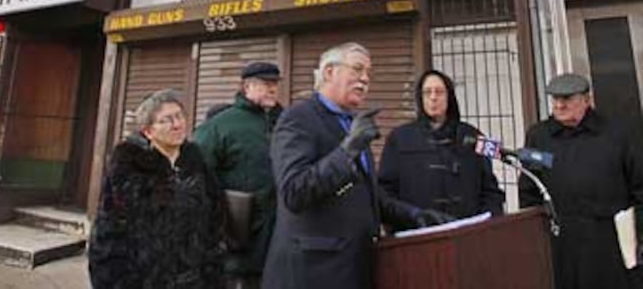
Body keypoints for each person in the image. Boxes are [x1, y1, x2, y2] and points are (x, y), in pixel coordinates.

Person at [262, 42, 448, 289]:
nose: (365, 79)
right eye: (357, 69)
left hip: (354, 269)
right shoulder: (298, 118)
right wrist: (348, 150)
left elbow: (365, 195)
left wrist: (415, 216)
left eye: (368, 73)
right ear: (329, 72)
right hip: (312, 275)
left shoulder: (351, 123)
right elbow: (294, 192)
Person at [519, 73, 643, 289]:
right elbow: (528, 188)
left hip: (610, 240)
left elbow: (639, 184)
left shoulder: (617, 133)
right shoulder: (538, 136)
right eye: (555, 99)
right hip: (561, 243)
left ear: (586, 100)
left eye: (566, 99)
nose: (559, 104)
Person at [88, 89, 223, 289]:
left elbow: (215, 218)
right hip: (144, 280)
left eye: (179, 116)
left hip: (195, 279)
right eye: (167, 120)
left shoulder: (196, 161)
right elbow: (109, 231)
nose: (177, 124)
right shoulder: (129, 167)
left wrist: (213, 270)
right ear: (148, 131)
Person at [194, 62, 282, 289]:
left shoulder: (285, 122)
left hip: (281, 237)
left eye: (275, 84)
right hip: (237, 240)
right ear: (247, 87)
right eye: (265, 83)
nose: (272, 88)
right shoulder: (220, 125)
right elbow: (195, 178)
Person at [378, 70, 504, 224]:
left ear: (449, 96)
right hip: (419, 234)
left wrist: (487, 222)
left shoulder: (473, 135)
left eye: (439, 92)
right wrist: (412, 217)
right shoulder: (399, 138)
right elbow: (385, 193)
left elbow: (491, 190)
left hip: (468, 234)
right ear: (420, 98)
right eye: (427, 92)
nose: (433, 97)